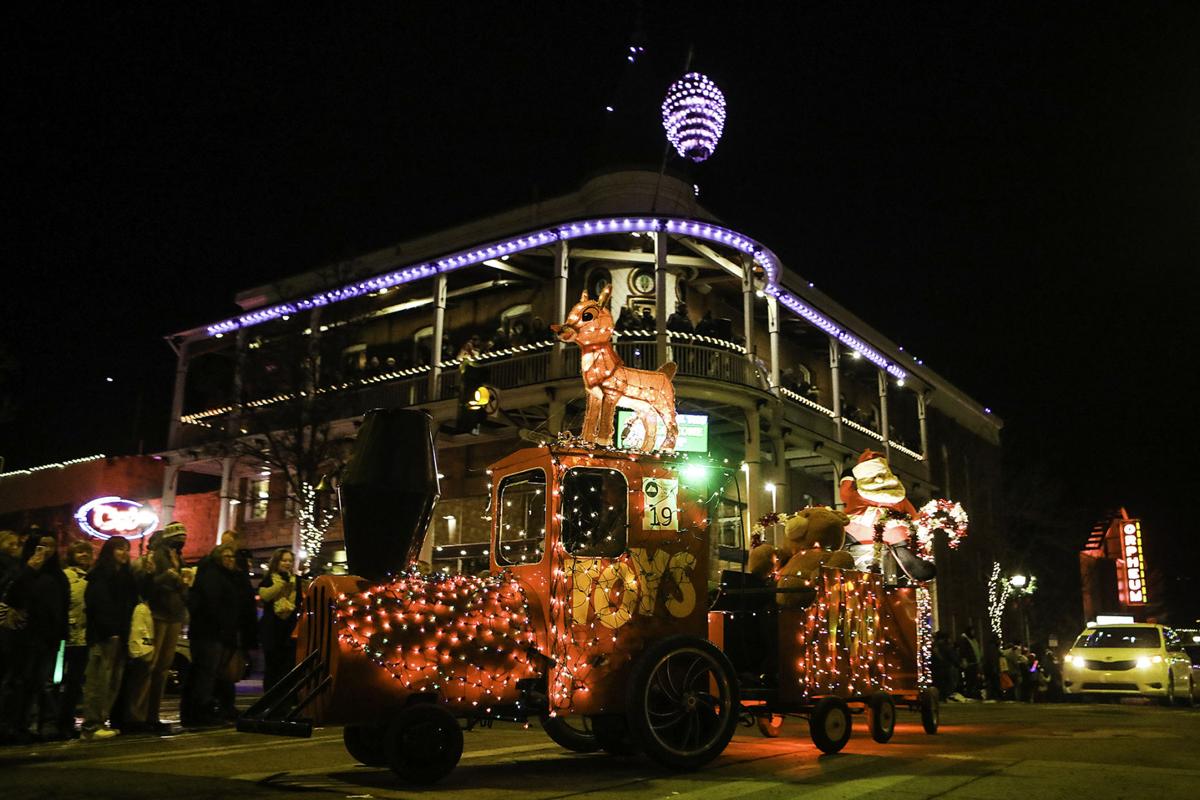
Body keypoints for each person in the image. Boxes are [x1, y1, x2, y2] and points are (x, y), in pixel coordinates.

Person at [0, 534, 69, 742]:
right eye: (41, 546)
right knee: (17, 682)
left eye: (50, 546)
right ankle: (9, 726)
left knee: (39, 683)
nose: (46, 551)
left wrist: (61, 635)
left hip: (47, 637)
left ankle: (31, 725)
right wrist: (29, 570)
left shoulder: (57, 575)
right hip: (22, 636)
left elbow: (62, 607)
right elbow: (12, 596)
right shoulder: (20, 570)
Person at [126, 522, 189, 733]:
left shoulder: (177, 557)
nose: (181, 542)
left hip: (174, 615)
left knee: (162, 669)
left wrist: (183, 583)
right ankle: (137, 716)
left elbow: (182, 590)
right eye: (178, 538)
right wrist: (167, 576)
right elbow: (147, 587)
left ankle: (152, 715)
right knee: (149, 666)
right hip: (158, 614)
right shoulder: (156, 557)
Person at [81, 537, 137, 740]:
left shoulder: (125, 576)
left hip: (120, 634)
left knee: (113, 680)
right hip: (104, 635)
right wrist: (110, 630)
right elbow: (98, 604)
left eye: (126, 549)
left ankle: (100, 721)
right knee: (99, 680)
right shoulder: (100, 575)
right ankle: (91, 725)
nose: (124, 553)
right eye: (119, 549)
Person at [184, 544, 245, 726]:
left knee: (211, 674)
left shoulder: (225, 576)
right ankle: (200, 712)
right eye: (226, 556)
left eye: (232, 556)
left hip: (216, 633)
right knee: (206, 674)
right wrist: (222, 626)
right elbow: (212, 605)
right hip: (209, 633)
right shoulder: (212, 576)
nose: (230, 560)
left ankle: (206, 710)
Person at [58, 541, 93, 738]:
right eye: (79, 552)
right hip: (67, 636)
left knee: (75, 682)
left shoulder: (92, 577)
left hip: (84, 638)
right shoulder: (65, 576)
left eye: (87, 552)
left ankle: (67, 720)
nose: (84, 555)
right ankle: (58, 721)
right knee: (60, 680)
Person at [258, 548, 301, 692]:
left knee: (288, 666)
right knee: (272, 666)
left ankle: (286, 698)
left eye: (290, 561)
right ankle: (271, 698)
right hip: (272, 629)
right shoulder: (268, 580)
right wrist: (280, 584)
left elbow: (300, 602)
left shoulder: (297, 581)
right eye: (284, 560)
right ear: (277, 562)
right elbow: (265, 596)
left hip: (290, 629)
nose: (287, 563)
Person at [932, 630, 960, 700]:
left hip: (936, 669)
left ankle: (939, 697)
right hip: (945, 668)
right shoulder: (946, 647)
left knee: (939, 684)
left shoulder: (934, 646)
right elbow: (952, 657)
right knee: (947, 684)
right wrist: (958, 664)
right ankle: (944, 697)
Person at [956, 626, 982, 700]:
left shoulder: (972, 640)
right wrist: (964, 660)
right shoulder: (965, 640)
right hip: (970, 663)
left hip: (974, 663)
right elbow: (964, 651)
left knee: (974, 679)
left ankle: (973, 693)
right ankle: (970, 693)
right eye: (972, 631)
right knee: (970, 679)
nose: (973, 633)